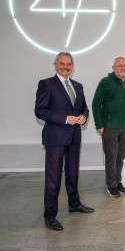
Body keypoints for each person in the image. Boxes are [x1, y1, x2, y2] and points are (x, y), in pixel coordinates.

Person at [35, 52, 95, 231]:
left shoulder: (77, 86)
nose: (66, 67)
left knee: (72, 173)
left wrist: (83, 117)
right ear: (55, 65)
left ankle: (74, 203)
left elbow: (84, 107)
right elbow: (40, 111)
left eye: (69, 64)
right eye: (62, 64)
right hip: (55, 138)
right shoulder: (46, 84)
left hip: (75, 137)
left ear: (72, 66)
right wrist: (66, 119)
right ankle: (50, 215)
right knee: (53, 178)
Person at [92, 57, 125, 198]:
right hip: (110, 126)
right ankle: (111, 185)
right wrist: (99, 125)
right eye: (120, 66)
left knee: (120, 156)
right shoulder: (105, 82)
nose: (123, 68)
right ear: (113, 67)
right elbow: (96, 104)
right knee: (111, 157)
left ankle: (118, 182)